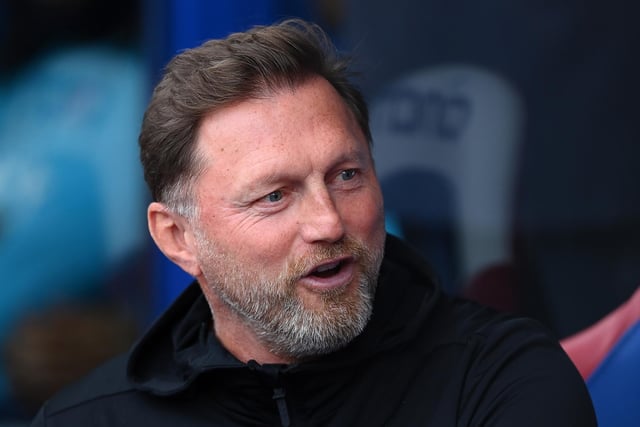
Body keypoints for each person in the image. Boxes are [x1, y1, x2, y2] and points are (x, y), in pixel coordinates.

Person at [30, 19, 596, 426]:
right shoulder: (88, 418)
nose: (328, 222)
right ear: (178, 237)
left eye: (347, 175)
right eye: (275, 196)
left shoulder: (499, 380)